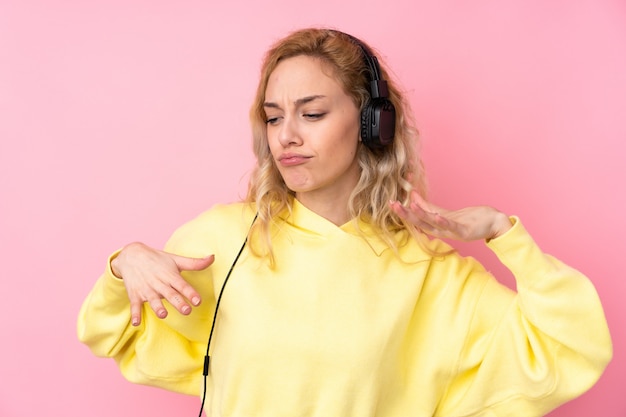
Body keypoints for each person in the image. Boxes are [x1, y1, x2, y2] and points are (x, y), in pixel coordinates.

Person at [77, 28, 612, 417]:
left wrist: (502, 233)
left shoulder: (432, 274)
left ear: (373, 123)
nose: (286, 135)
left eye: (311, 114)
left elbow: (571, 347)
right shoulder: (221, 240)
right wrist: (126, 264)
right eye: (272, 116)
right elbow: (114, 335)